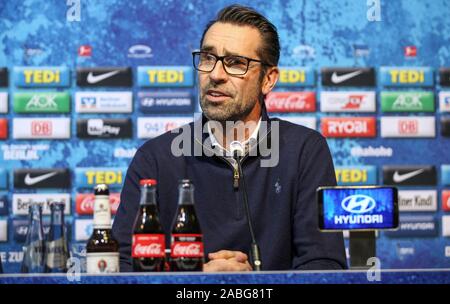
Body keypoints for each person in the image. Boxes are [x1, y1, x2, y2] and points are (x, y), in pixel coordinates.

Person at [112, 4, 347, 272]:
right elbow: (121, 268)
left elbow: (325, 267)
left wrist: (256, 286)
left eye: (236, 63)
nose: (215, 74)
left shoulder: (304, 151)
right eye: (208, 58)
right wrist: (195, 281)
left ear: (268, 79)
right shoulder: (155, 158)